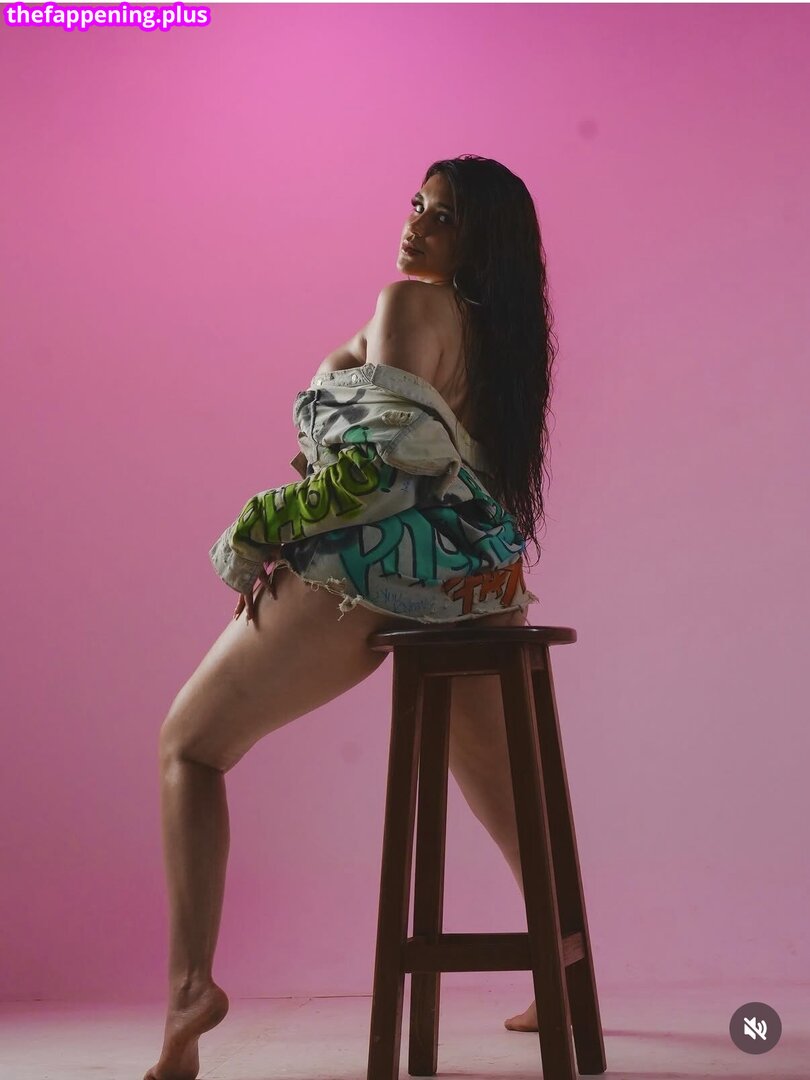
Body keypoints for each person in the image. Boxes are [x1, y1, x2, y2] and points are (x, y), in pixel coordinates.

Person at [144, 154, 557, 1080]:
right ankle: (564, 964)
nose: (417, 224)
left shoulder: (412, 302)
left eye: (443, 216)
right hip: (481, 582)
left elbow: (375, 474)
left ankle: (189, 990)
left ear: (480, 241)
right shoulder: (500, 340)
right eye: (417, 205)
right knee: (497, 786)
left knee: (188, 748)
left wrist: (258, 532)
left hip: (380, 570)